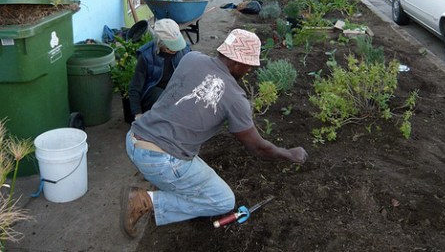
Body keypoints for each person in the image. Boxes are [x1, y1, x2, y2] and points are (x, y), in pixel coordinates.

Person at [120, 29, 308, 238]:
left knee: (192, 169)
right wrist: (289, 154)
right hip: (161, 160)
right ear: (238, 62)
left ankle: (169, 186)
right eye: (249, 66)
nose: (250, 71)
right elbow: (257, 147)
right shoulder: (236, 99)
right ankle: (144, 200)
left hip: (134, 139)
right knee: (223, 200)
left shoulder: (191, 58)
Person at [128, 18, 191, 120]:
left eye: (177, 45)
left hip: (176, 88)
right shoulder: (146, 56)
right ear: (159, 43)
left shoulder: (184, 49)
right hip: (156, 92)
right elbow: (134, 87)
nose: (175, 50)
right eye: (171, 47)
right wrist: (137, 114)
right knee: (160, 100)